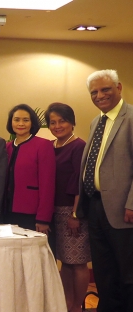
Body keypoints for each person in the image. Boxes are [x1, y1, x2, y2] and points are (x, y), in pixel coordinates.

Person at [76, 69, 133, 312]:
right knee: (103, 270)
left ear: (119, 88)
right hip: (96, 206)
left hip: (123, 209)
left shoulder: (131, 118)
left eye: (105, 89)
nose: (99, 96)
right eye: (94, 92)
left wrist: (132, 203)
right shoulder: (96, 121)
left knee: (127, 273)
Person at [44, 102, 89, 312]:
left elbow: (81, 182)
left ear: (71, 122)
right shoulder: (50, 146)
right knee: (65, 261)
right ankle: (66, 304)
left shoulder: (79, 146)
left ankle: (77, 306)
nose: (57, 126)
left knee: (78, 263)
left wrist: (75, 214)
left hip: (73, 212)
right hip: (54, 212)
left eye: (62, 121)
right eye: (53, 122)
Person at [4, 104, 55, 233]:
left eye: (26, 120)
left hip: (31, 212)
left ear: (32, 122)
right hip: (6, 211)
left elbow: (47, 184)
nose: (21, 123)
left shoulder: (43, 145)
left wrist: (43, 218)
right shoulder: (6, 147)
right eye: (16, 120)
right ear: (11, 122)